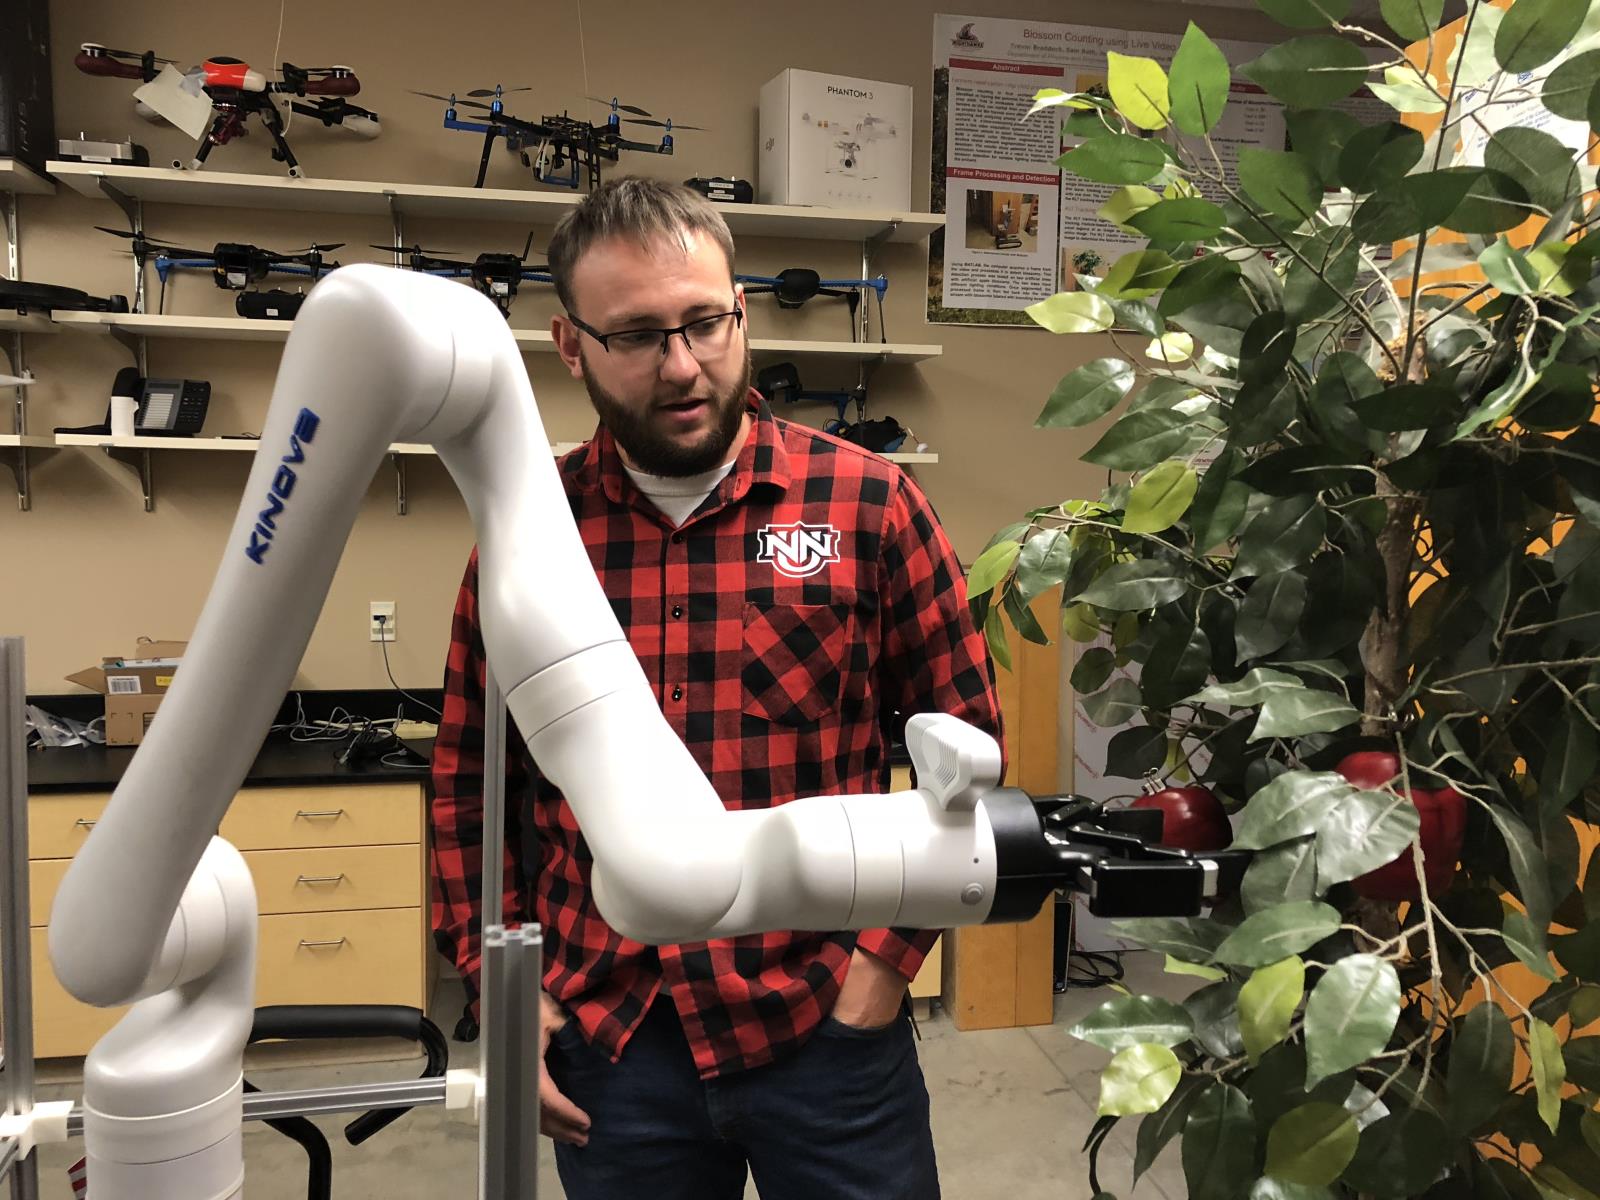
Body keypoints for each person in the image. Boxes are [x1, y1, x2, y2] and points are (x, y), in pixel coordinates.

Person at [430, 177, 1003, 1200]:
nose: (683, 365)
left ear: (740, 310)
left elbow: (966, 755)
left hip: (822, 1020)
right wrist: (502, 994)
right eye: (639, 335)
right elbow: (470, 786)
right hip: (613, 1037)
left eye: (705, 322)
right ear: (572, 348)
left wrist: (880, 970)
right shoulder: (529, 538)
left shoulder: (871, 506)